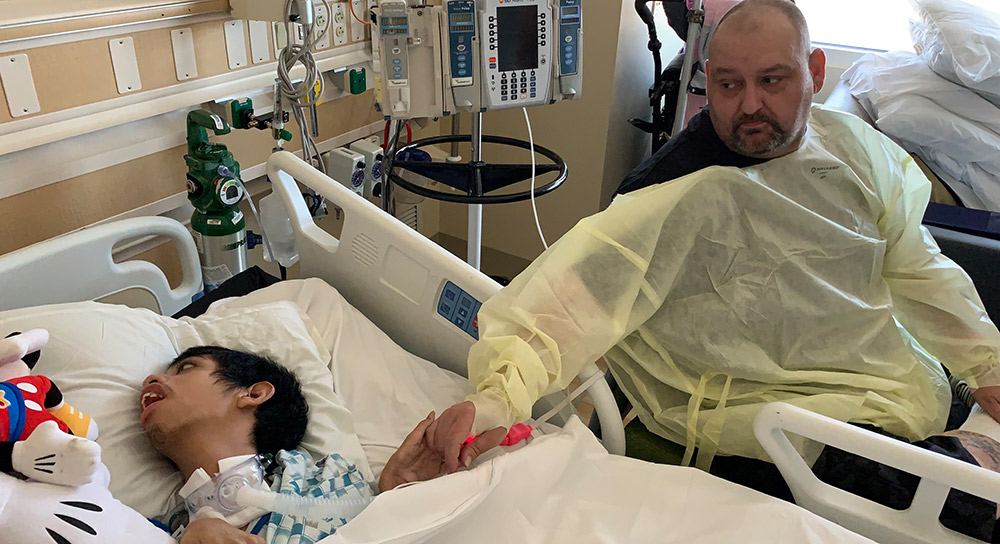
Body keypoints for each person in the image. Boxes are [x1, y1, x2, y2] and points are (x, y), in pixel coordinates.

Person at [426, 0, 1000, 539]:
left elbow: (917, 266)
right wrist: (493, 401)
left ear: (815, 72)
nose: (749, 105)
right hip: (781, 416)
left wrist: (985, 364)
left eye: (772, 80)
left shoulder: (851, 147)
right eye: (729, 84)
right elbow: (565, 302)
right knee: (973, 504)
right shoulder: (676, 188)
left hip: (888, 375)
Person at [140, 346, 444, 544]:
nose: (152, 379)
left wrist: (394, 501)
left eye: (186, 368)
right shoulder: (152, 533)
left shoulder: (332, 484)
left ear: (253, 394)